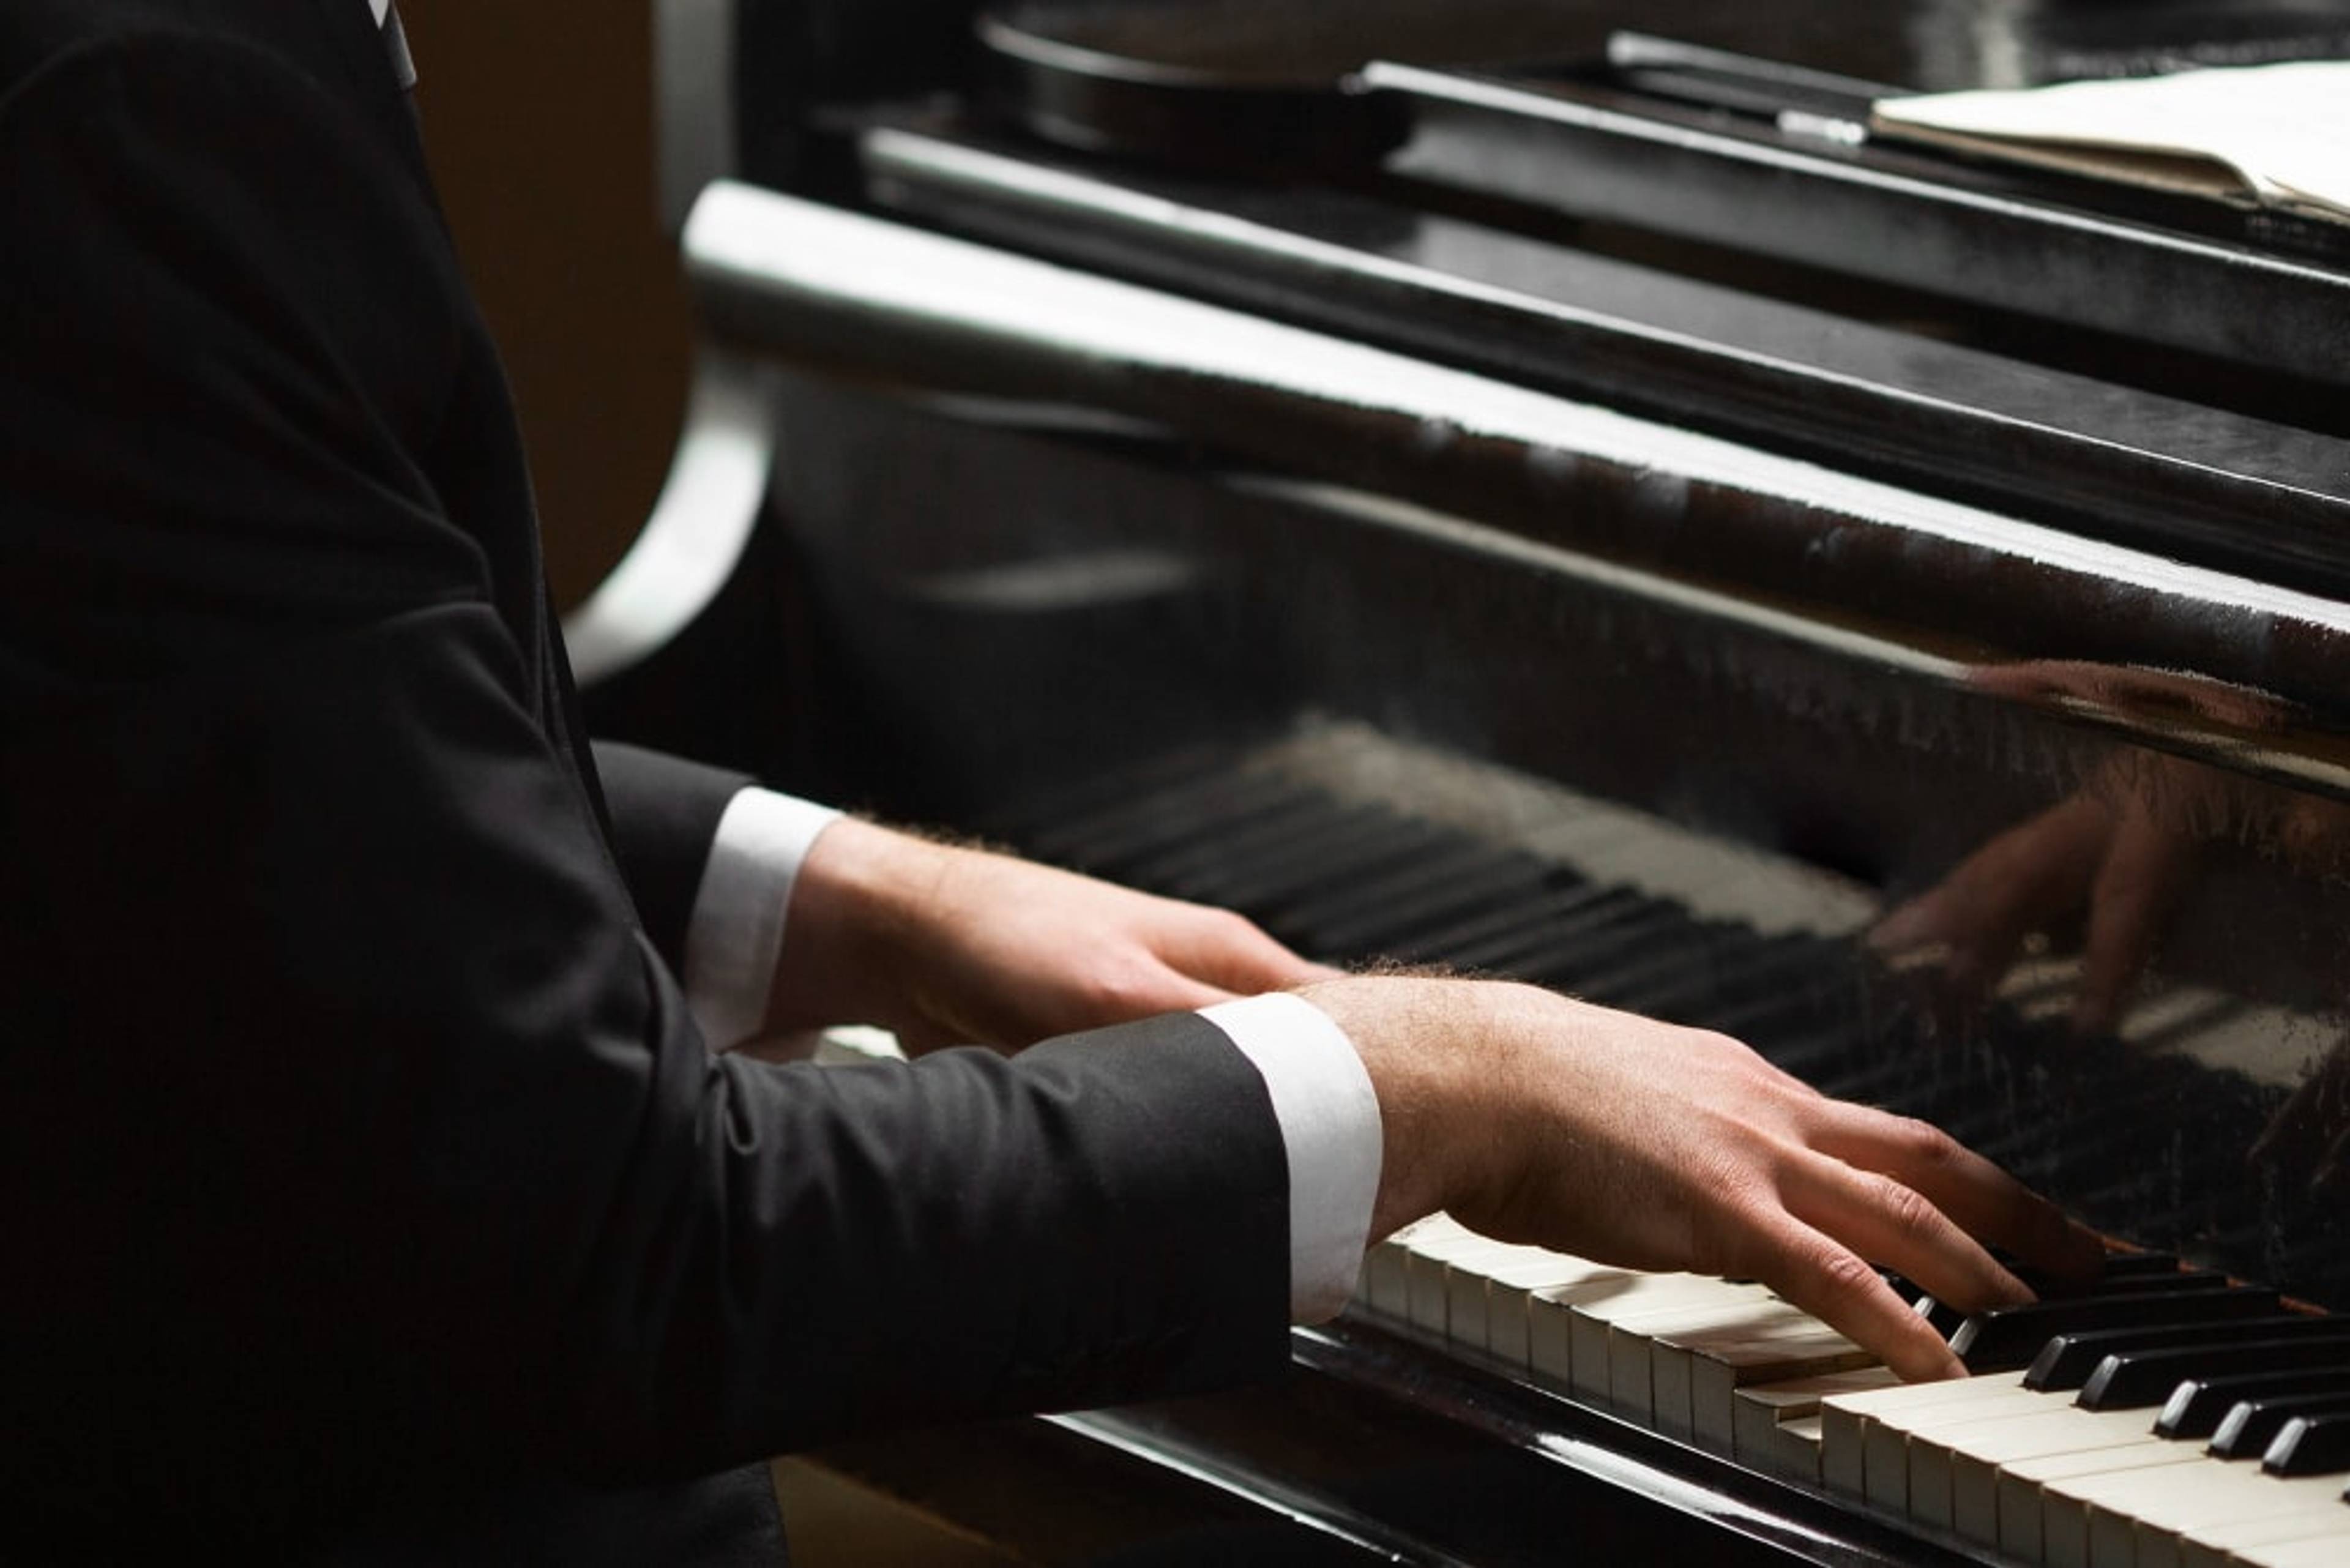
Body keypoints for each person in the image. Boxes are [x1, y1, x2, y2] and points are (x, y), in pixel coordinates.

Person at [0, 0, 2102, 1559]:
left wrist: (840, 890)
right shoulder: (140, 88)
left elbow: (200, 771)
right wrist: (1429, 1076)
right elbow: (619, 1246)